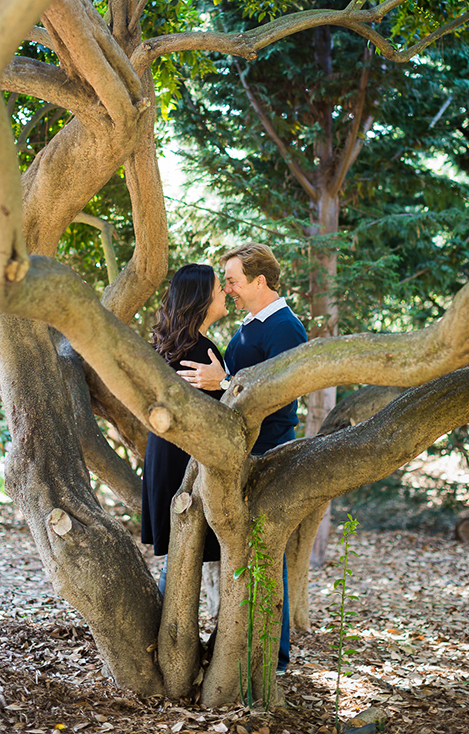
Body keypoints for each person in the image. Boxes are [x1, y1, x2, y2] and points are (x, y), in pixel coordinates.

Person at [178, 242, 307, 672]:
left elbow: (281, 395)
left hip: (266, 452)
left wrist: (225, 380)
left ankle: (277, 657)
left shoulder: (285, 328)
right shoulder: (252, 324)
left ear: (260, 281)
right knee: (243, 552)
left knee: (266, 552)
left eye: (232, 280)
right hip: (239, 451)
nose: (228, 288)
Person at [141, 263, 227, 595]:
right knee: (183, 558)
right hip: (183, 464)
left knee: (180, 558)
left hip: (165, 458)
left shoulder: (174, 346)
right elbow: (218, 414)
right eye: (219, 288)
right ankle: (167, 637)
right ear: (202, 298)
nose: (224, 294)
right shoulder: (199, 351)